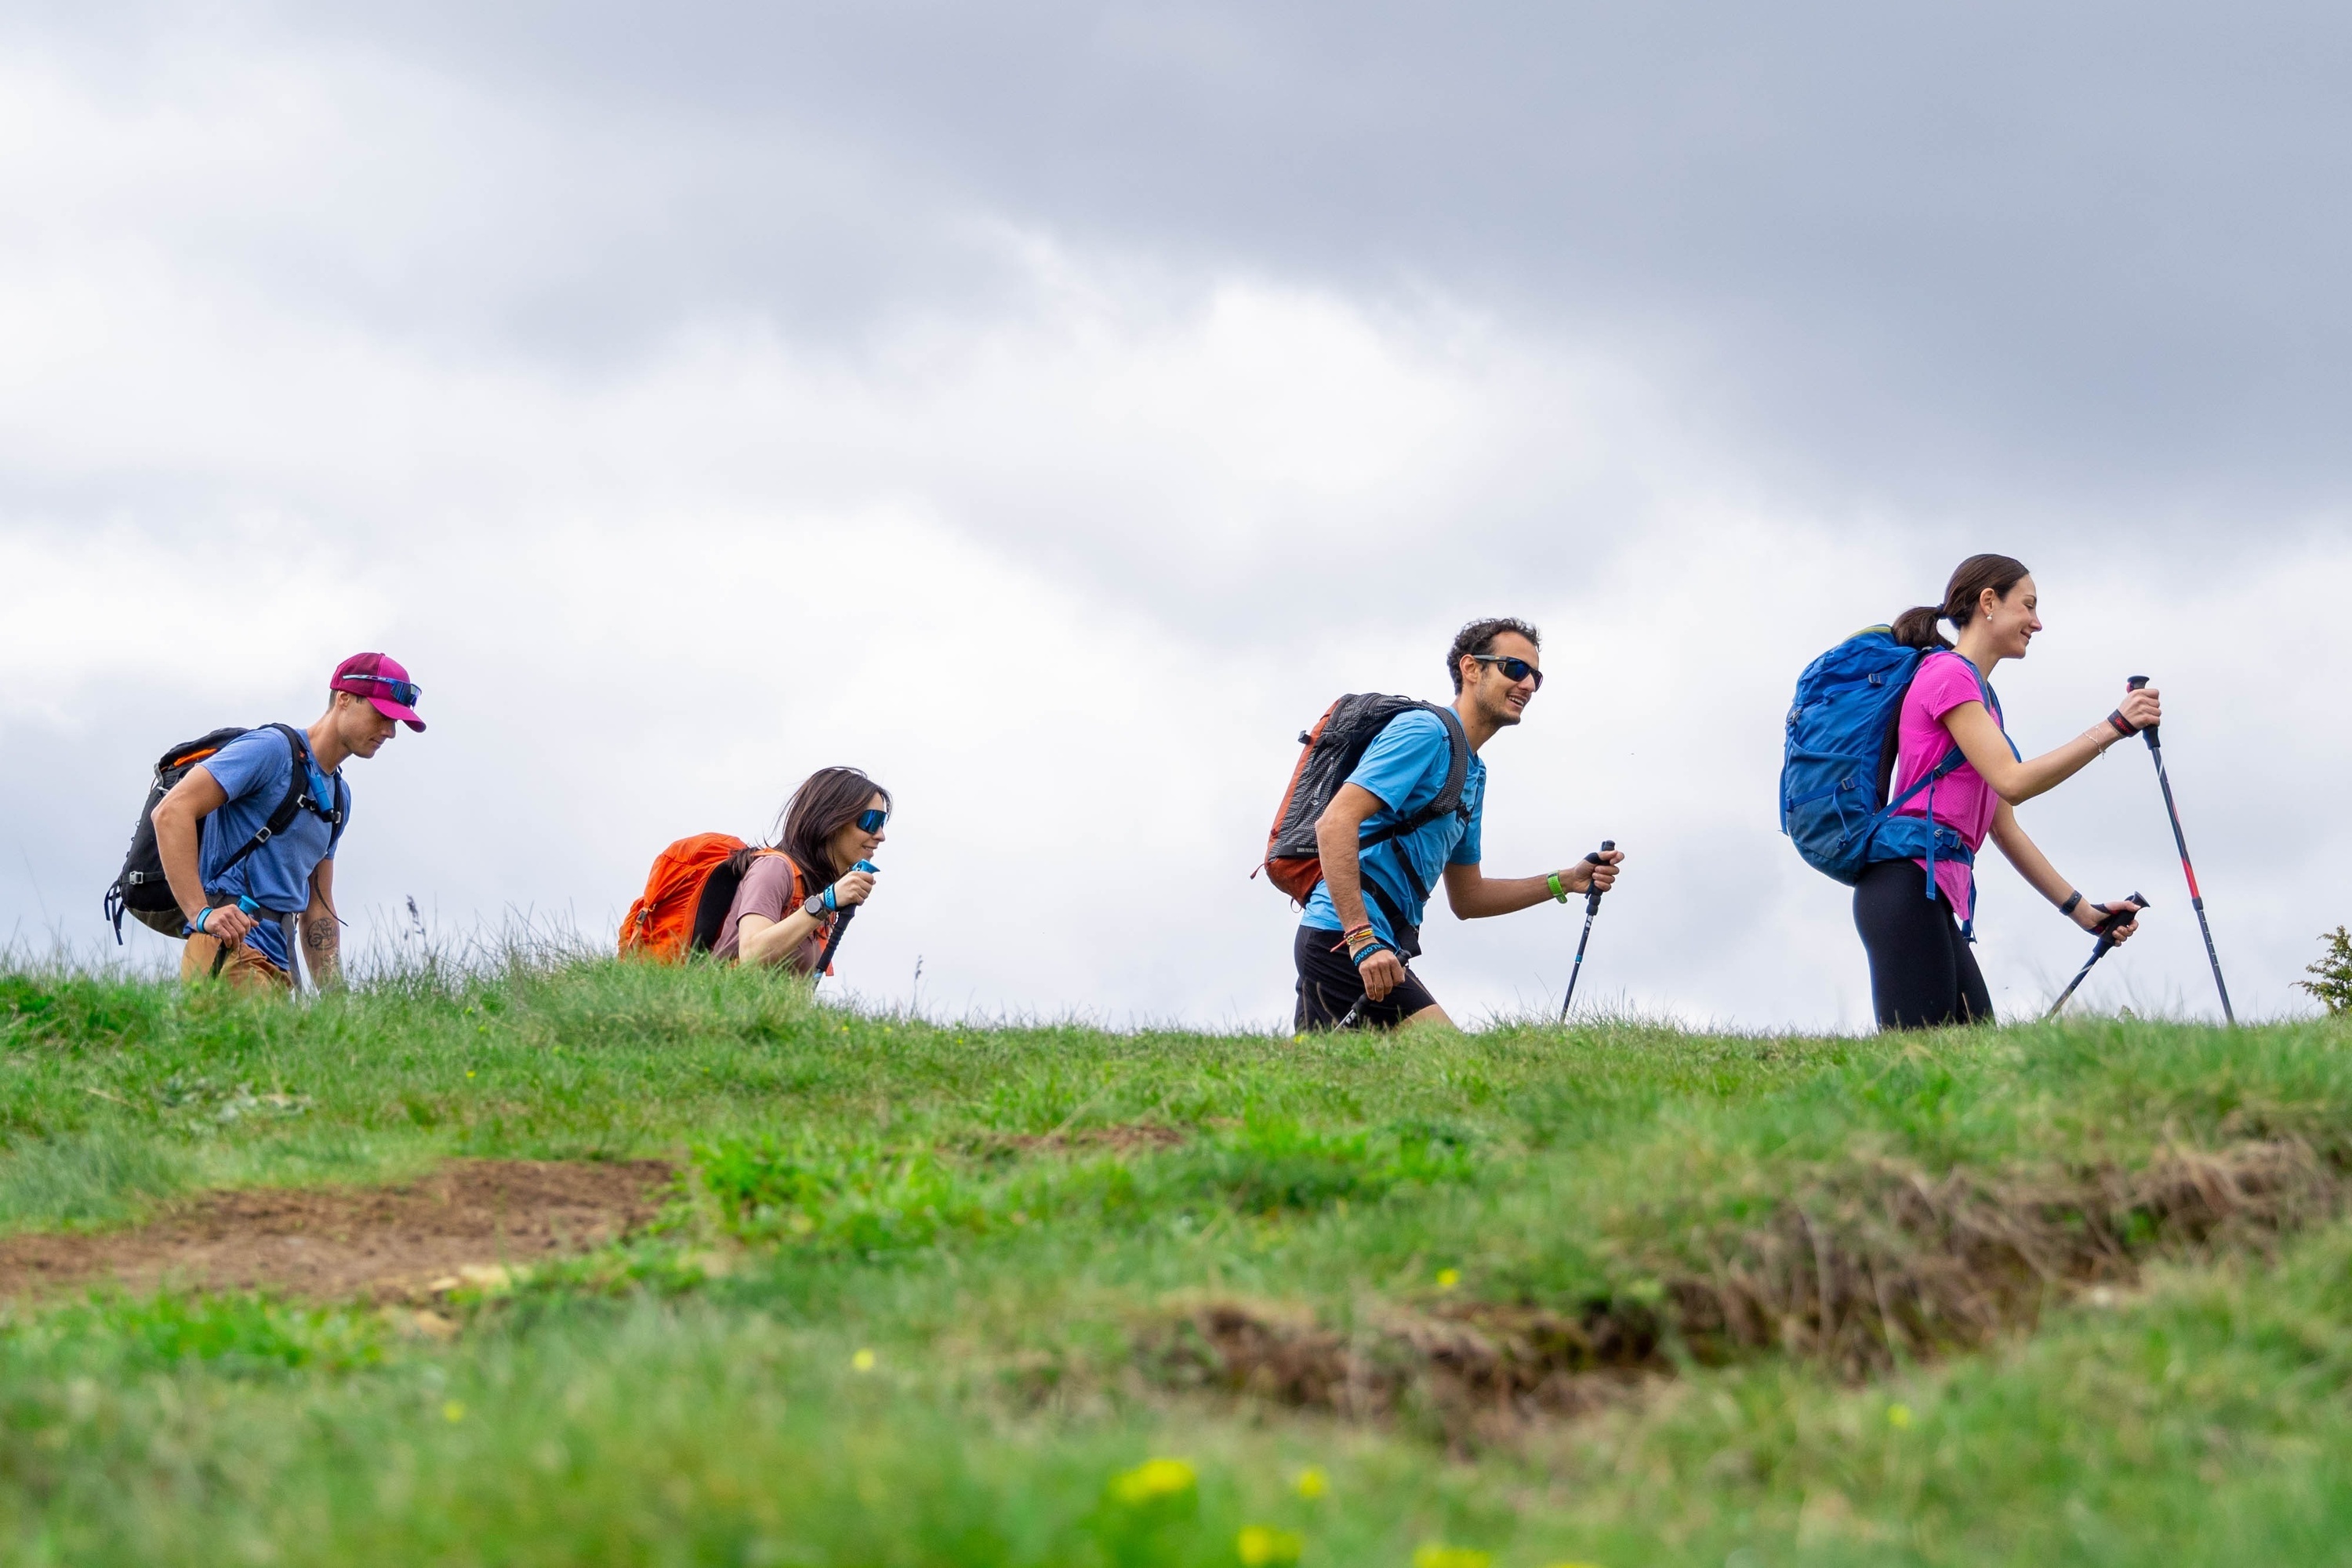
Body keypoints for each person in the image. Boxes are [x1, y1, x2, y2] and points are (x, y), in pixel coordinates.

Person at [1857, 554, 2159, 1029]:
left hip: (1927, 893)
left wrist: (2084, 912)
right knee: (1919, 1068)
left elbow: (2003, 825)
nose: (2037, 623)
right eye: (2029, 606)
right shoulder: (1948, 675)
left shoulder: (1981, 698)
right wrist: (2114, 727)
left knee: (1975, 1061)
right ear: (1988, 602)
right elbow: (2013, 782)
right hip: (1904, 886)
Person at [1296, 617, 1624, 1030]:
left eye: (1536, 677)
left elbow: (1468, 898)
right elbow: (1335, 823)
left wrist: (1567, 880)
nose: (1528, 685)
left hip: (1375, 953)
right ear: (1472, 669)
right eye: (1515, 669)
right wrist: (1361, 940)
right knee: (1458, 1071)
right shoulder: (1425, 731)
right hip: (1347, 944)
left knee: (1325, 1087)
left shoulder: (1473, 773)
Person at [152, 652, 425, 993]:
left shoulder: (339, 798)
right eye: (382, 715)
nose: (390, 731)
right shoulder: (271, 750)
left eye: (396, 722)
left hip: (282, 969)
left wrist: (335, 999)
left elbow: (317, 908)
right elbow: (171, 811)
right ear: (344, 699)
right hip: (230, 950)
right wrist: (200, 914)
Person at [711, 767, 891, 972]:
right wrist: (826, 902)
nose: (880, 835)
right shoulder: (774, 869)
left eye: (882, 823)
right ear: (831, 820)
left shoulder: (817, 891)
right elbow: (752, 953)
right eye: (871, 821)